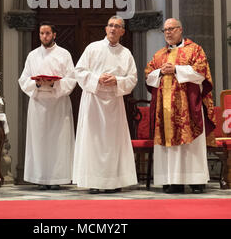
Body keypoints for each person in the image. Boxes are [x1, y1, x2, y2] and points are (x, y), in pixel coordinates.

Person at [145, 18, 216, 194]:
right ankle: (172, 181)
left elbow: (201, 73)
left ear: (180, 30)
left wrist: (176, 69)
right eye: (165, 30)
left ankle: (196, 181)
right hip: (166, 109)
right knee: (169, 145)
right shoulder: (159, 55)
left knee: (191, 145)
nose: (168, 32)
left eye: (171, 29)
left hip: (188, 106)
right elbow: (148, 75)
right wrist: (161, 71)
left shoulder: (195, 49)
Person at [73, 15, 138, 193]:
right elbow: (78, 71)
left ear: (122, 31)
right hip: (93, 101)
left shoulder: (126, 54)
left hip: (114, 103)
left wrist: (116, 80)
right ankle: (94, 182)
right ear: (105, 29)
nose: (113, 29)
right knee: (93, 141)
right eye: (110, 25)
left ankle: (113, 182)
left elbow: (132, 79)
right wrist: (96, 78)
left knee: (113, 143)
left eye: (117, 26)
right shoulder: (92, 48)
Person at [19, 22, 76, 190]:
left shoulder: (64, 54)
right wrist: (37, 84)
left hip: (58, 103)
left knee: (58, 140)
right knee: (39, 141)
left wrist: (53, 84)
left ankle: (57, 178)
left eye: (47, 33)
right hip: (38, 103)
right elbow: (23, 79)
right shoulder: (32, 55)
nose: (44, 36)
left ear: (54, 35)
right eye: (42, 33)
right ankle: (40, 178)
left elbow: (71, 78)